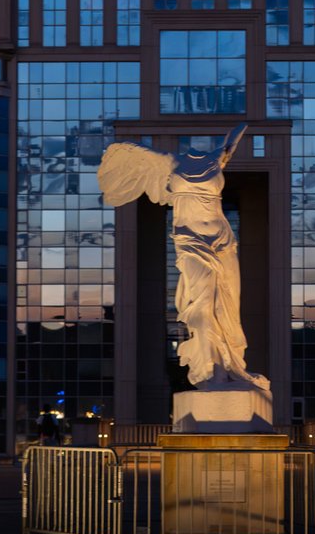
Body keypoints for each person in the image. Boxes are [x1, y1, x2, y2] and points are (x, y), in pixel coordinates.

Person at [98, 125, 270, 397]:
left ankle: (231, 366)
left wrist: (247, 125)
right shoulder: (169, 162)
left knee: (227, 306)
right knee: (202, 303)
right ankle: (211, 369)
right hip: (191, 241)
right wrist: (123, 149)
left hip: (222, 240)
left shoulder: (216, 158)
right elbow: (131, 154)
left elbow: (233, 139)